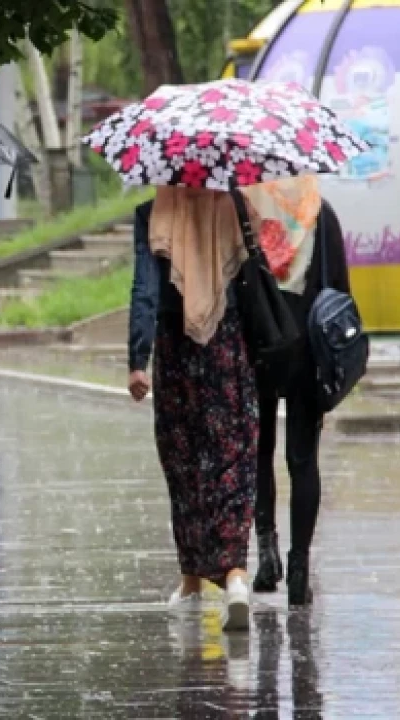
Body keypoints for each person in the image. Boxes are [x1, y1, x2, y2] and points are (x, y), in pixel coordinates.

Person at [127, 186, 258, 632]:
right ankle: (236, 576)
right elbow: (256, 277)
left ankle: (192, 583)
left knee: (184, 462)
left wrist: (137, 359)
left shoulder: (153, 213)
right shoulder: (235, 206)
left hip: (175, 349)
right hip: (229, 345)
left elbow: (145, 288)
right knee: (233, 457)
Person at [240, 177, 350, 606]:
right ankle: (299, 568)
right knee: (303, 460)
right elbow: (339, 291)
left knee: (259, 453)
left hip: (258, 346)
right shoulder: (321, 213)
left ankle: (267, 555)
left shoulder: (246, 211)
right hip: (307, 349)